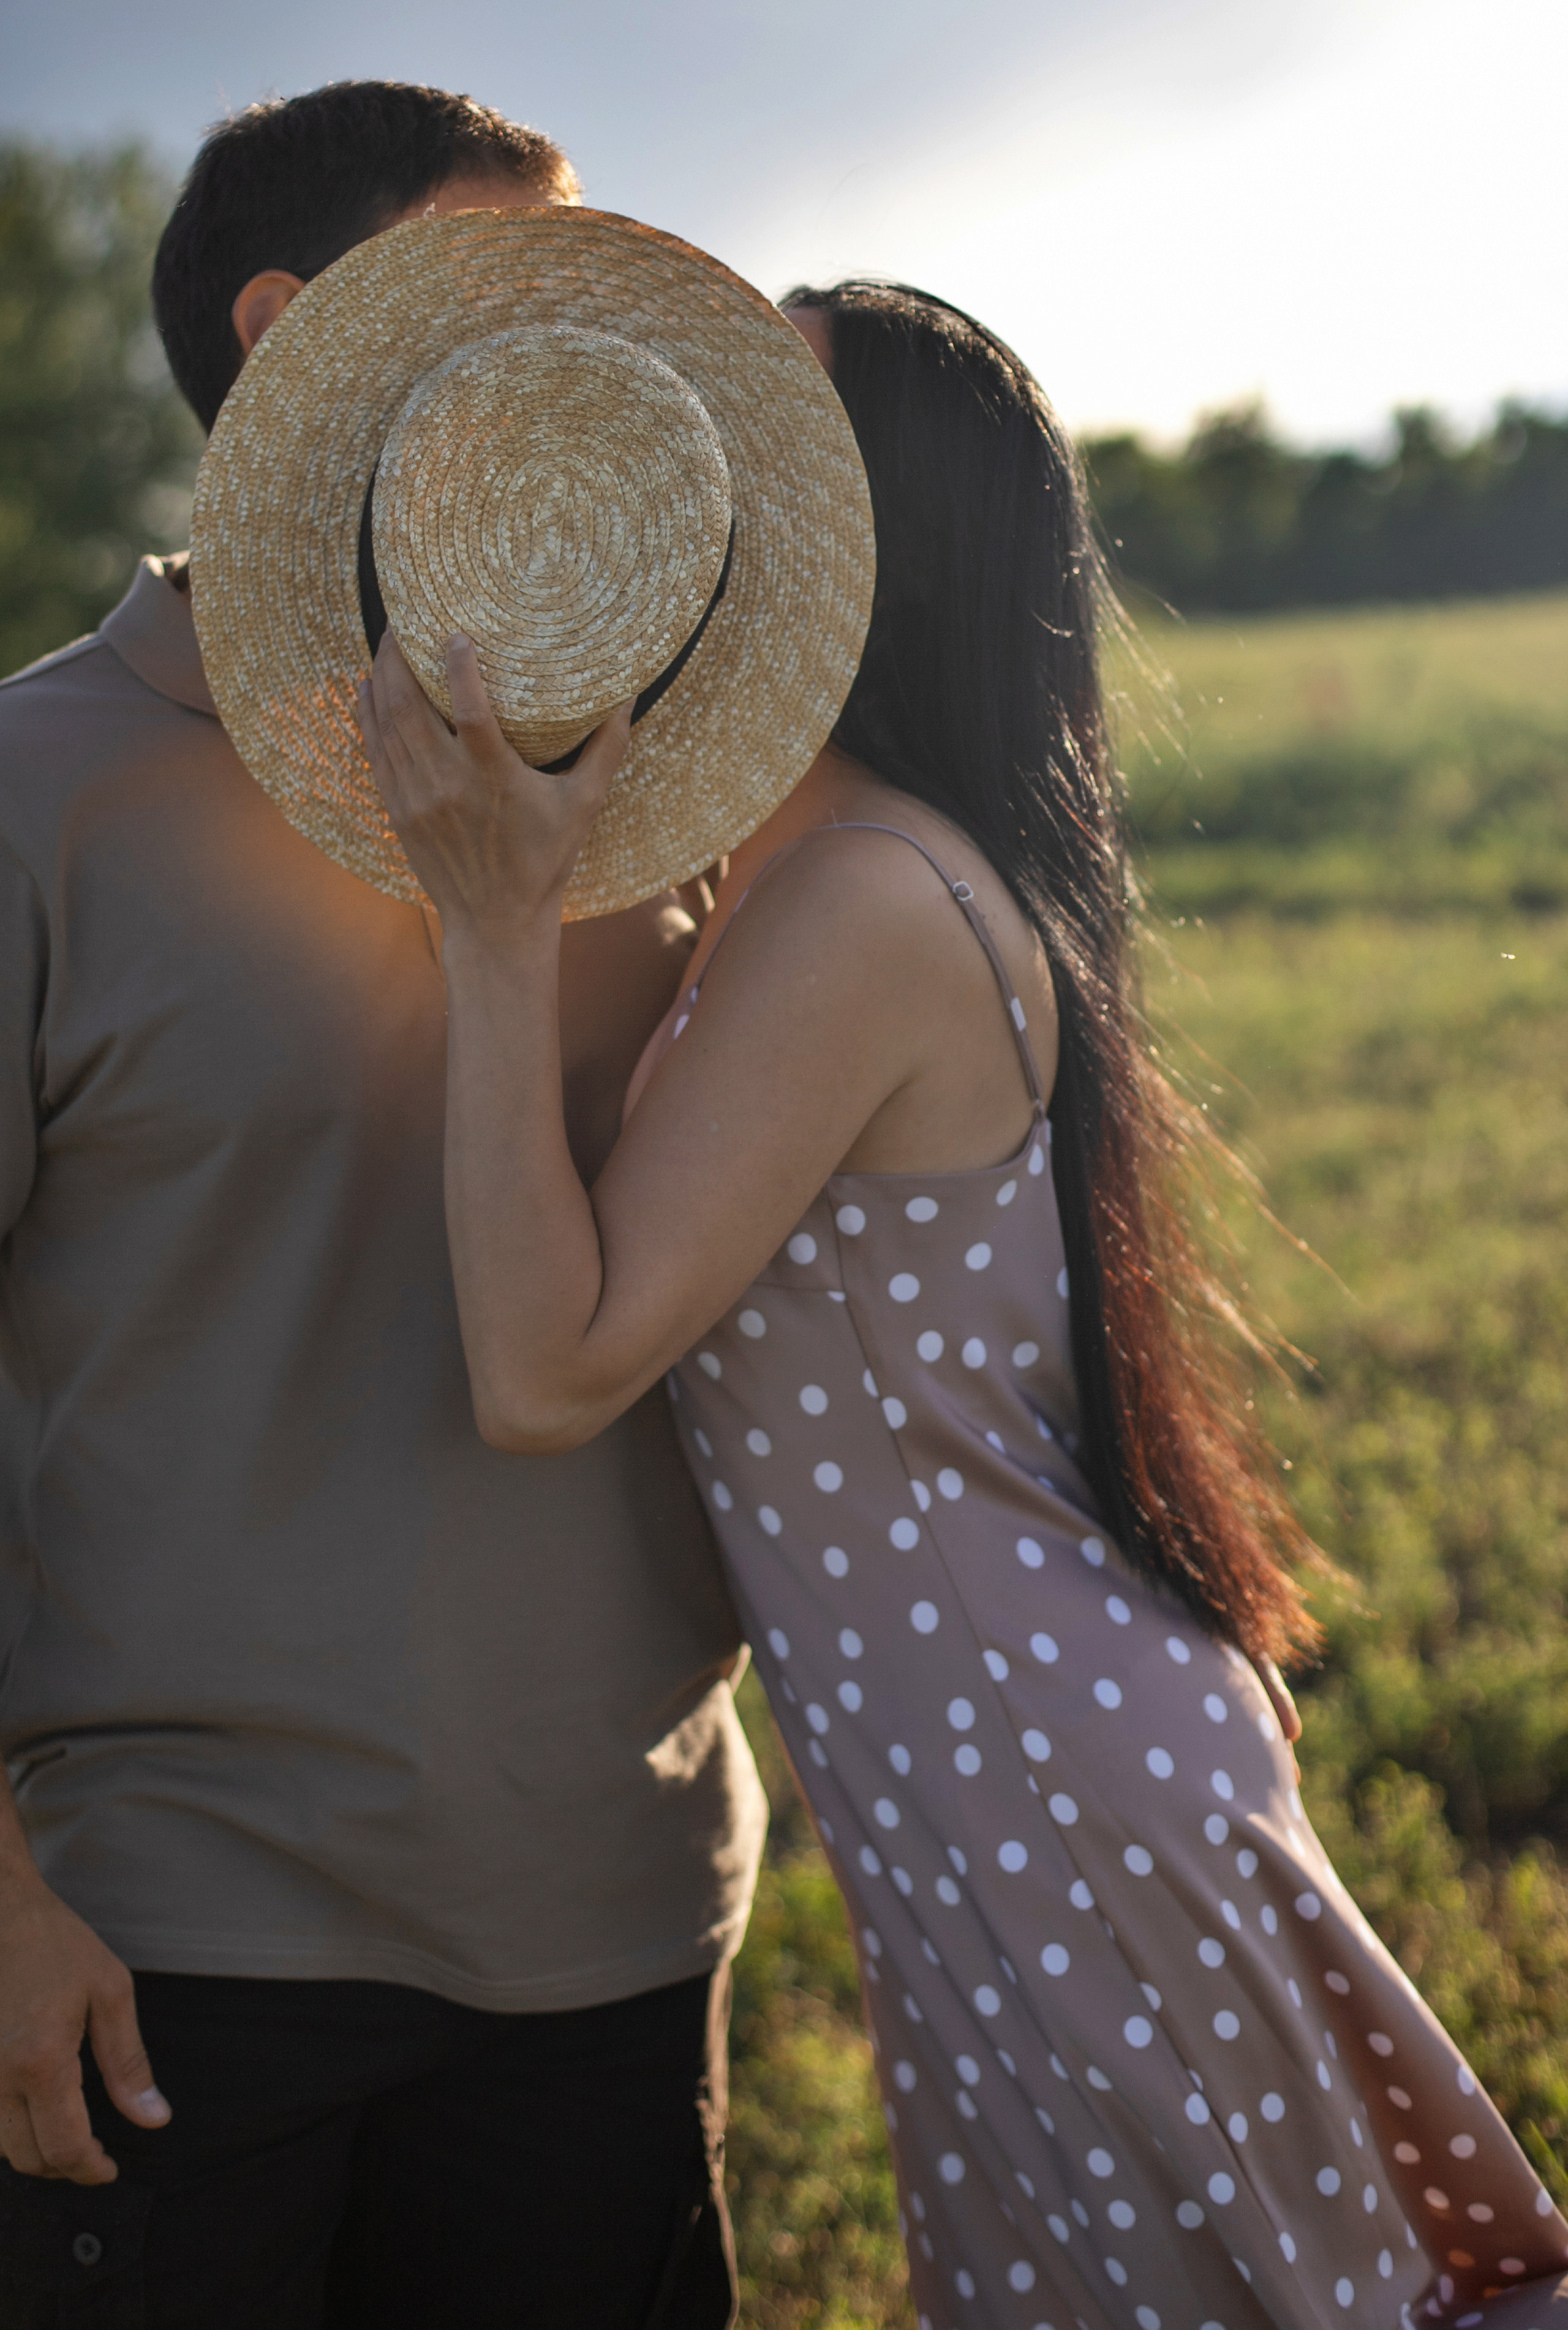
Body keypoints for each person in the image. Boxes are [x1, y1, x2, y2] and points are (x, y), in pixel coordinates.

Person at [357, 276, 1568, 2330]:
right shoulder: (829, 875)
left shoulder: (858, 906)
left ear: (870, 540)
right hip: (1003, 1775)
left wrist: (492, 924)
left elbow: (548, 1366)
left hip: (1037, 1785)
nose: (694, 470)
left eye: (758, 441)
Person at [0, 82, 766, 2329]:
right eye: (503, 288)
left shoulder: (662, 786)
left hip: (612, 1927)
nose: (568, 351)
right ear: (296, 332)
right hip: (165, 1957)